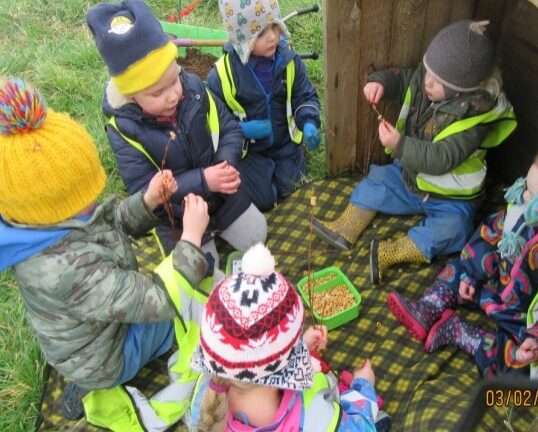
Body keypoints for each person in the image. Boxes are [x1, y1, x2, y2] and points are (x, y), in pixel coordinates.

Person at [0, 77, 214, 427]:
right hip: (107, 355)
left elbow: (109, 220)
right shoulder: (66, 270)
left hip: (85, 338)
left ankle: (85, 376)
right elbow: (160, 299)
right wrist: (190, 240)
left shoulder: (44, 225)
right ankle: (96, 382)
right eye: (85, 196)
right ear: (53, 208)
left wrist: (147, 201)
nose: (95, 198)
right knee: (181, 312)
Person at [387, 142, 538, 379]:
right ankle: (430, 305)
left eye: (533, 194)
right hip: (495, 285)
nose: (524, 195)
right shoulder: (524, 208)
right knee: (458, 268)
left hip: (523, 323)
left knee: (524, 376)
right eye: (527, 186)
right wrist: (472, 274)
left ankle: (464, 334)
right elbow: (489, 236)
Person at [312, 20, 517, 284]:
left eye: (436, 81)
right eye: (427, 72)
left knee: (455, 229)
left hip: (450, 198)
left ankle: (392, 252)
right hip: (410, 178)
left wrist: (400, 144)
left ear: (460, 90)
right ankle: (345, 227)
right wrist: (381, 83)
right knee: (378, 180)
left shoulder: (473, 121)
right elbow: (406, 78)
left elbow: (441, 159)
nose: (427, 82)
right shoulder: (427, 80)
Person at [87, 0, 267, 265]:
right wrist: (203, 181)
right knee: (202, 273)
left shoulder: (193, 87)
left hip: (221, 197)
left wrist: (225, 165)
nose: (172, 95)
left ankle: (221, 228)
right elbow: (147, 193)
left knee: (258, 234)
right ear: (130, 94)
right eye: (157, 93)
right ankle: (204, 244)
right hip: (178, 217)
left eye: (173, 80)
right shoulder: (123, 131)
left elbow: (228, 127)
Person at [189, 243, 389, 431]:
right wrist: (363, 388)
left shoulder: (206, 396)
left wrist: (299, 345)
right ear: (289, 366)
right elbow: (359, 427)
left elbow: (253, 357)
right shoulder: (316, 416)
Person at [207, 0, 321, 211]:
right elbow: (213, 122)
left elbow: (305, 95)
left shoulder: (289, 60)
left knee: (294, 192)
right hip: (249, 153)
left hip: (286, 147)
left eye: (275, 26)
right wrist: (242, 130)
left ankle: (284, 175)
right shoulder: (222, 76)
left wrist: (309, 121)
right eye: (260, 34)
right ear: (242, 40)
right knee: (263, 201)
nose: (272, 36)